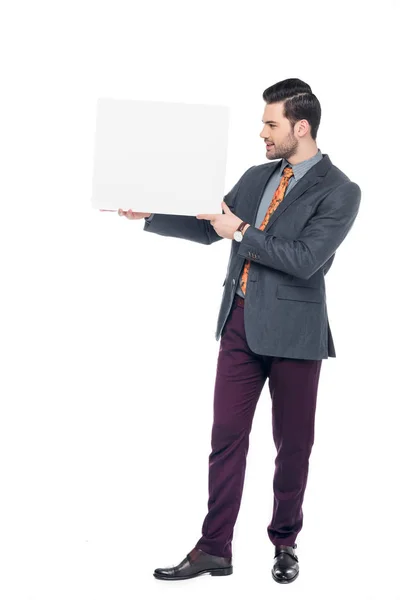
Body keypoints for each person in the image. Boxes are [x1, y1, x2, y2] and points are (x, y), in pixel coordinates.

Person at [116, 78, 361, 584]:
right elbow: (212, 224)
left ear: (301, 126)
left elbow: (306, 260)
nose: (262, 133)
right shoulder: (257, 176)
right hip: (240, 324)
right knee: (226, 437)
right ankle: (214, 548)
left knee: (293, 444)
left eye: (270, 124)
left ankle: (285, 542)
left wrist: (244, 232)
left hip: (295, 334)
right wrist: (152, 212)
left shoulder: (340, 190)